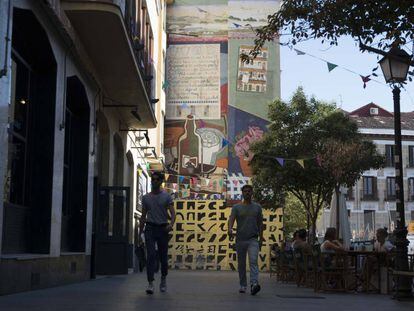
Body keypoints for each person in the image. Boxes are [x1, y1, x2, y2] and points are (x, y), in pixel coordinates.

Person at [139, 171, 175, 295]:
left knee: (163, 257)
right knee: (151, 255)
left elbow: (173, 214)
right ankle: (150, 283)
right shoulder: (146, 198)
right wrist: (140, 232)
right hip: (150, 228)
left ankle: (163, 279)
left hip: (162, 228)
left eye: (156, 179)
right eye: (152, 179)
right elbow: (143, 216)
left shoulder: (167, 196)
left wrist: (171, 225)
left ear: (161, 181)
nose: (154, 181)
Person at [227, 184, 263, 295]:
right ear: (242, 193)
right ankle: (243, 285)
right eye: (245, 191)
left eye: (249, 191)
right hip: (240, 239)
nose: (247, 193)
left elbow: (260, 223)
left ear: (252, 193)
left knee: (253, 261)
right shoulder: (236, 207)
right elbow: (231, 219)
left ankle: (254, 284)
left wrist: (261, 238)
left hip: (253, 239)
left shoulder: (257, 207)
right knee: (241, 264)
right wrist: (229, 229)